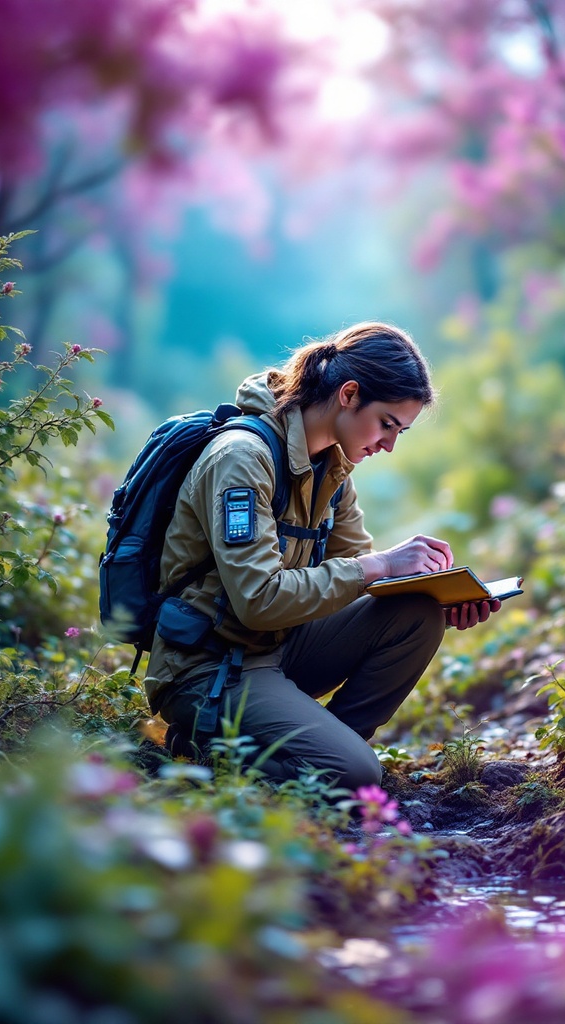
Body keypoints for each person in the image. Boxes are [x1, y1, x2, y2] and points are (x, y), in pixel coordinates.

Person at [143, 321, 500, 790]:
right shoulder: (241, 459)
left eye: (401, 432)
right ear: (348, 394)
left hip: (277, 646)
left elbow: (366, 585)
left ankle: (317, 753)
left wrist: (441, 598)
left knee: (416, 613)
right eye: (387, 424)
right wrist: (383, 564)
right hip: (210, 666)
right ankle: (202, 744)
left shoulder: (331, 467)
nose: (389, 445)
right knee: (355, 773)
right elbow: (259, 599)